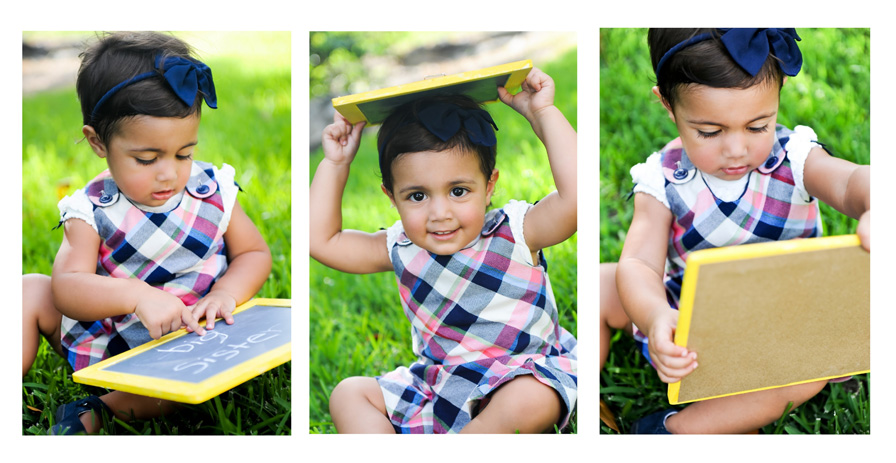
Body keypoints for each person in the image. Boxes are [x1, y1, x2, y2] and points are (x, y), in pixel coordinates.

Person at [600, 28, 870, 434]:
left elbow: (851, 184)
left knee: (806, 377)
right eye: (710, 131)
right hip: (689, 330)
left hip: (783, 331)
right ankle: (578, 388)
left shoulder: (794, 159)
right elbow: (638, 261)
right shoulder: (661, 179)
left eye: (757, 126)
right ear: (668, 105)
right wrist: (656, 315)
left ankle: (676, 431)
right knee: (605, 281)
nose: (736, 149)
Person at [22, 31, 272, 435]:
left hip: (185, 344)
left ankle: (93, 413)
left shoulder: (213, 192)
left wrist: (225, 294)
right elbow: (66, 288)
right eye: (146, 158)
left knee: (177, 389)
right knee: (27, 290)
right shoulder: (90, 209)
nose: (169, 172)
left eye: (184, 153)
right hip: (106, 336)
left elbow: (254, 255)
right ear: (97, 142)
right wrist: (137, 296)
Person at [310, 66, 577, 433]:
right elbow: (322, 242)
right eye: (417, 196)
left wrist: (542, 113)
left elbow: (575, 200)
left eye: (458, 191)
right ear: (392, 197)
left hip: (518, 374)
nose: (440, 214)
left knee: (531, 397)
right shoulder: (401, 246)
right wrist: (335, 163)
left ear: (489, 185)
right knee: (348, 394)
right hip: (440, 386)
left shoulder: (515, 232)